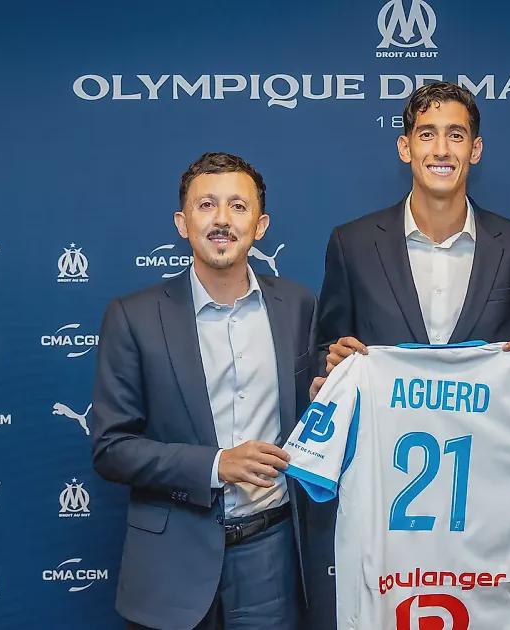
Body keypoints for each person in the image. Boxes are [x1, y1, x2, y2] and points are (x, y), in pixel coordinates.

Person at [304, 81, 510, 629]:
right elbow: (325, 350)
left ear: (475, 150)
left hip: (485, 501)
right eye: (427, 134)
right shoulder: (352, 243)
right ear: (404, 146)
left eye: (455, 135)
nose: (441, 149)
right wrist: (330, 369)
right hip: (384, 499)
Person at [90, 152, 315, 630]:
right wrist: (216, 465)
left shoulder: (298, 306)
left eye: (238, 206)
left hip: (271, 560)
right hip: (169, 564)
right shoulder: (133, 316)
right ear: (182, 222)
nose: (222, 220)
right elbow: (111, 449)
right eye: (206, 205)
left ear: (260, 225)